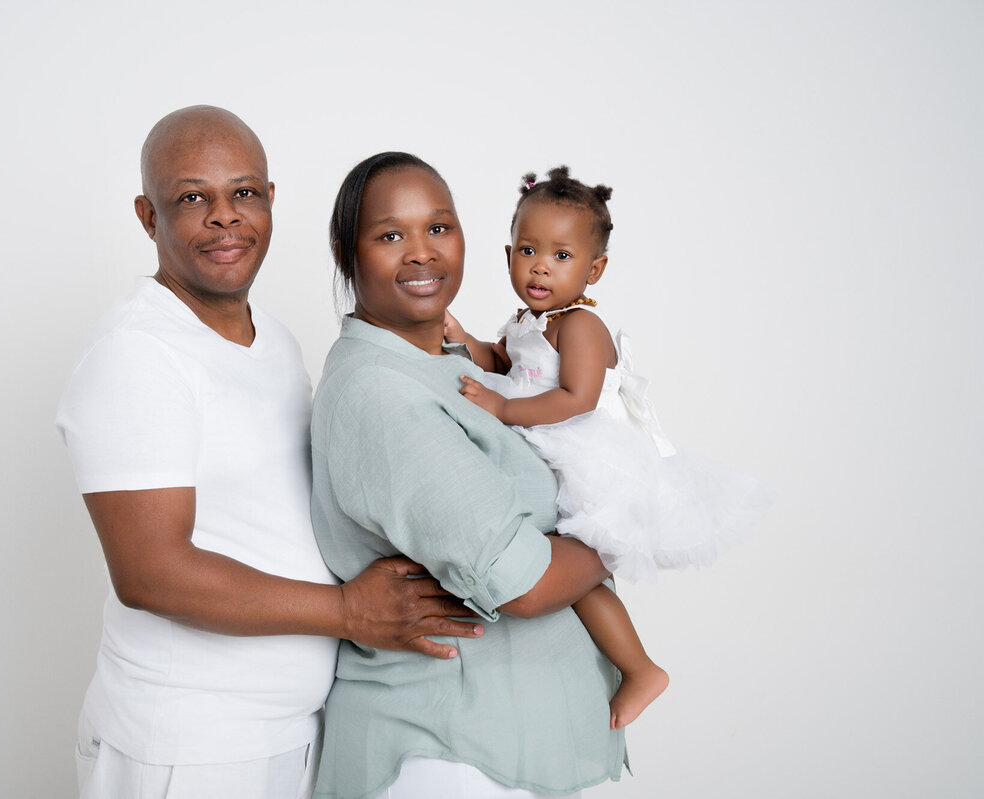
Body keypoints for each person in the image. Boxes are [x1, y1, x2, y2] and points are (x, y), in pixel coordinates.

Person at [55, 108, 483, 799]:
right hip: (188, 747)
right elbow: (151, 572)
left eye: (244, 192)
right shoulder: (137, 354)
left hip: (290, 734)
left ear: (271, 199)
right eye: (192, 197)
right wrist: (348, 611)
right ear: (148, 215)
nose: (225, 216)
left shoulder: (275, 340)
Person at [310, 152, 627, 799]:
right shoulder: (381, 392)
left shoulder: (454, 365)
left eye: (439, 227)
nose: (422, 252)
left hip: (511, 740)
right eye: (390, 234)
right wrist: (623, 525)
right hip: (451, 748)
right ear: (346, 252)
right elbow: (524, 582)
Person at [446, 166, 770, 729]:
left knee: (577, 575)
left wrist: (501, 408)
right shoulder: (528, 321)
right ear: (508, 256)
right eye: (529, 250)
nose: (541, 266)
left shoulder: (580, 327)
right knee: (570, 576)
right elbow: (503, 361)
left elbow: (575, 399)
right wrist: (462, 340)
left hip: (590, 455)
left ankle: (640, 668)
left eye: (562, 255)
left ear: (593, 269)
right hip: (546, 441)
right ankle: (620, 666)